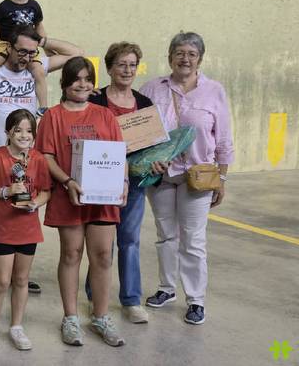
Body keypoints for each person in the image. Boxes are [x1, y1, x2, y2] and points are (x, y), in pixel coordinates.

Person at [0, 24, 83, 301]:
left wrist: (44, 42)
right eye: (21, 51)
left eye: (31, 52)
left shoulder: (36, 67)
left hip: (26, 154)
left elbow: (77, 53)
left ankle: (20, 275)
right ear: (8, 47)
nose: (26, 57)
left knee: (24, 212)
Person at [140, 31, 234, 325]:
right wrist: (148, 161)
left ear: (200, 59)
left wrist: (222, 178)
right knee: (166, 235)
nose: (185, 59)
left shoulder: (214, 91)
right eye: (180, 53)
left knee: (193, 240)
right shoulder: (152, 88)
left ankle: (195, 300)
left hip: (198, 175)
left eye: (192, 54)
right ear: (170, 57)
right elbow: (139, 131)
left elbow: (224, 138)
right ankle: (166, 288)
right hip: (161, 174)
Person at [35, 56, 128, 347]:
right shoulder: (52, 116)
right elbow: (46, 156)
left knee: (103, 255)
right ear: (65, 82)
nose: (83, 84)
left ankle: (101, 316)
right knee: (71, 254)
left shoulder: (105, 115)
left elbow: (119, 154)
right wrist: (67, 181)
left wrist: (124, 182)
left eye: (88, 79)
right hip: (70, 195)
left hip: (103, 198)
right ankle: (71, 318)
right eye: (77, 79)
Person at [83, 42, 153, 324]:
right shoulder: (95, 100)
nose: (127, 70)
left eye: (132, 65)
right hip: (99, 178)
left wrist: (156, 162)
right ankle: (94, 296)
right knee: (102, 242)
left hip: (133, 182)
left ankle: (131, 300)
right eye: (121, 64)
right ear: (110, 68)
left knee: (130, 240)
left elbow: (152, 146)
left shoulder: (144, 104)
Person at [0, 109, 51, 353]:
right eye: (18, 130)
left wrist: (35, 203)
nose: (24, 135)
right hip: (4, 230)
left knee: (21, 280)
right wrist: (5, 192)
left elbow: (45, 191)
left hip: (28, 229)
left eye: (29, 131)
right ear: (8, 132)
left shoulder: (38, 159)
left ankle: (16, 327)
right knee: (1, 281)